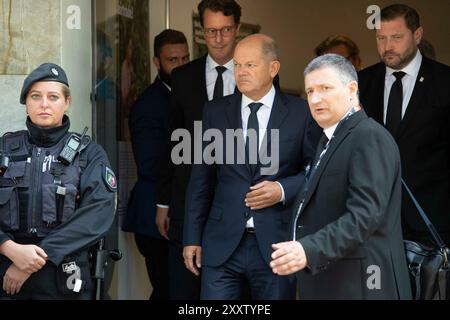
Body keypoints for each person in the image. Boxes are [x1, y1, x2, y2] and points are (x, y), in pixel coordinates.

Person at [183, 34, 319, 300]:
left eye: (250, 65)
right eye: (237, 65)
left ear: (273, 68)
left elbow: (317, 171)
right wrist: (192, 237)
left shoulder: (301, 113)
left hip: (277, 243)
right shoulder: (215, 111)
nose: (241, 72)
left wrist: (282, 189)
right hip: (222, 242)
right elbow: (201, 179)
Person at [270, 54, 412, 300]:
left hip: (364, 285)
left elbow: (365, 216)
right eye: (310, 91)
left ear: (351, 89)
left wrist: (308, 249)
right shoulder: (330, 138)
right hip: (333, 282)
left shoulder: (368, 136)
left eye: (325, 88)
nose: (315, 99)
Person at [0, 63, 117, 300]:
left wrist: (34, 260)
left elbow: (97, 214)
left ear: (67, 102)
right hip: (7, 277)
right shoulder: (4, 149)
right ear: (26, 103)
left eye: (53, 97)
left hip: (64, 278)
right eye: (36, 96)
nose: (44, 104)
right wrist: (7, 247)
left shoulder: (89, 154)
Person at [156, 0, 242, 300]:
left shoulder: (255, 74)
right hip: (187, 199)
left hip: (237, 200)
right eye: (211, 31)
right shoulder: (183, 77)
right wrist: (163, 202)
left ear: (237, 29)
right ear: (202, 31)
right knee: (185, 289)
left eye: (226, 30)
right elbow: (172, 141)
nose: (218, 39)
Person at [358, 4, 450, 245]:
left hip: (432, 221)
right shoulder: (360, 83)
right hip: (371, 220)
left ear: (417, 35)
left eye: (396, 37)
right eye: (381, 38)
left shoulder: (444, 81)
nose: (387, 46)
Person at [122, 29, 190, 300]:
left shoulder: (191, 94)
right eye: (173, 60)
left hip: (182, 213)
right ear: (156, 62)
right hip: (156, 214)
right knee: (168, 291)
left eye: (185, 58)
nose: (181, 65)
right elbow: (150, 166)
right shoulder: (149, 105)